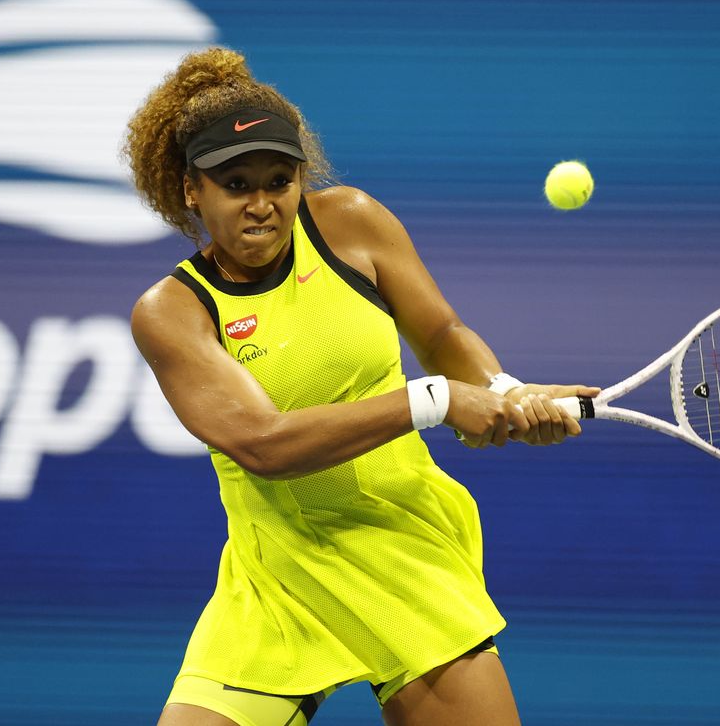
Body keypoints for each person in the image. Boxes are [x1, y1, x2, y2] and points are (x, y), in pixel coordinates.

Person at [125, 46, 599, 726]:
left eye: (279, 180)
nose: (261, 204)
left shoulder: (351, 223)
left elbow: (440, 335)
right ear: (190, 189)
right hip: (275, 578)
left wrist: (502, 388)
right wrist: (436, 401)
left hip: (399, 545)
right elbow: (264, 445)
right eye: (236, 185)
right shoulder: (172, 312)